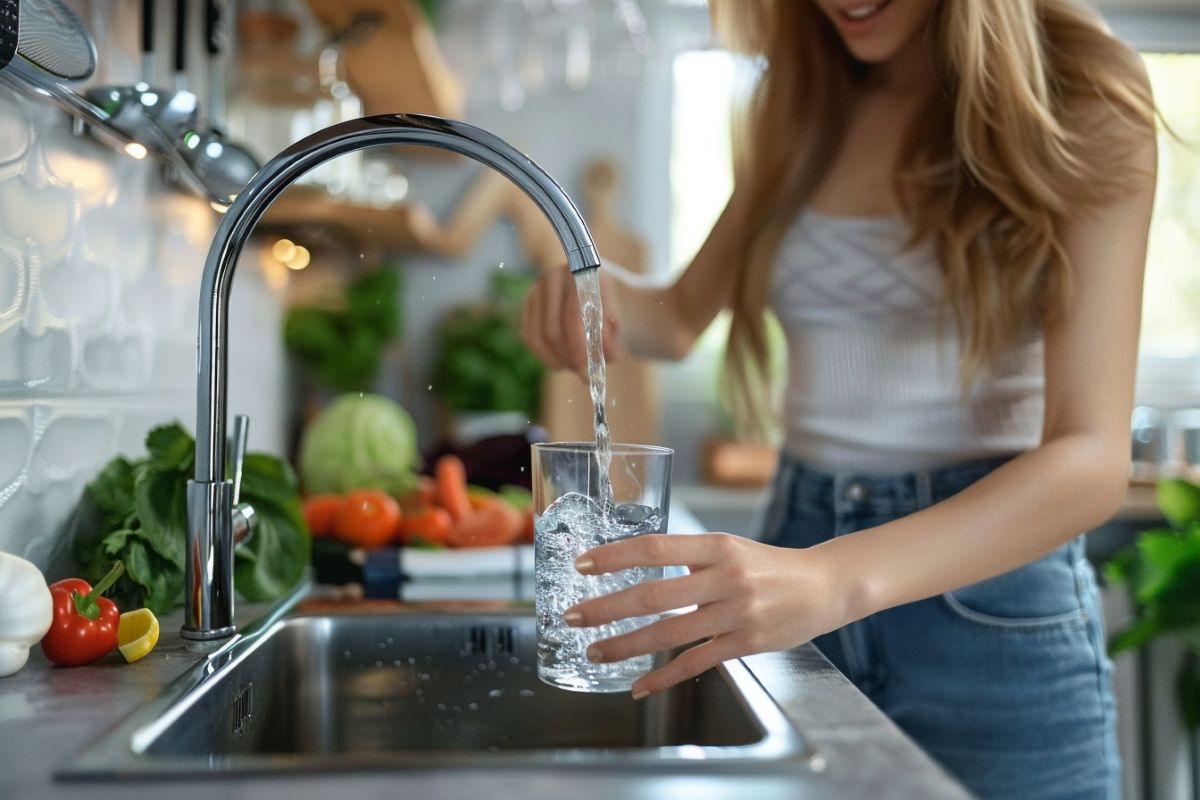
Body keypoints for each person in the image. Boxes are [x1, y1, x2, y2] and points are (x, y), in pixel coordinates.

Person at [521, 1, 1156, 798]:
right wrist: (592, 293)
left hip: (991, 609)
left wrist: (834, 580)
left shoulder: (1086, 89)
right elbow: (679, 319)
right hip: (800, 549)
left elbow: (1091, 458)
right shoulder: (804, 99)